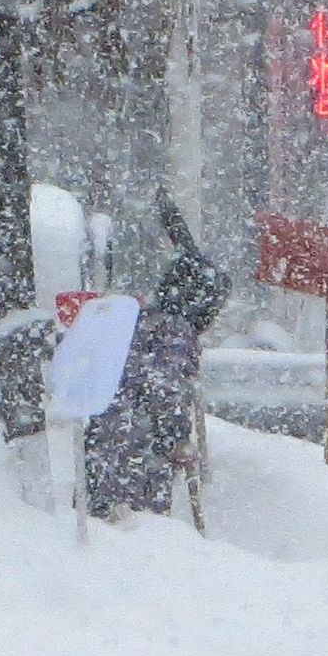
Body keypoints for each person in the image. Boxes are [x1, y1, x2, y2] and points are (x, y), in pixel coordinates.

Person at [88, 196, 230, 520]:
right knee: (136, 531)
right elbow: (165, 389)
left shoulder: (139, 321)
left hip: (105, 442)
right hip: (134, 452)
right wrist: (176, 438)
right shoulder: (175, 335)